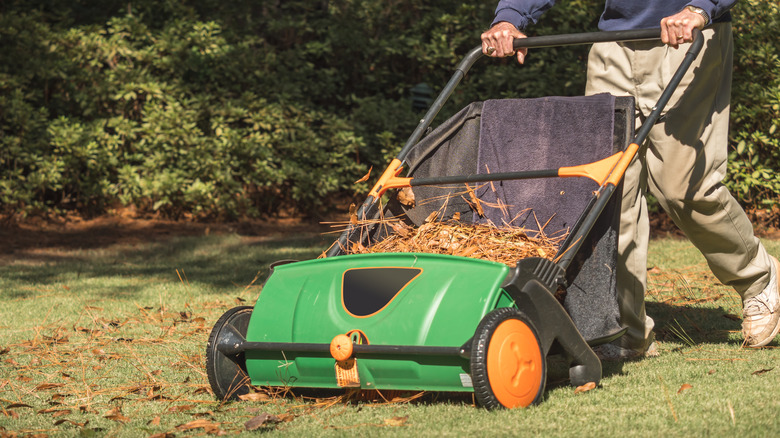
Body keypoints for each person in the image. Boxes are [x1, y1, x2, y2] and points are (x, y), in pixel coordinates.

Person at [481, 1, 780, 359]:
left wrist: (701, 8)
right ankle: (625, 329)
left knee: (684, 189)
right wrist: (511, 17)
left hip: (689, 36)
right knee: (608, 192)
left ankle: (759, 278)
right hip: (614, 44)